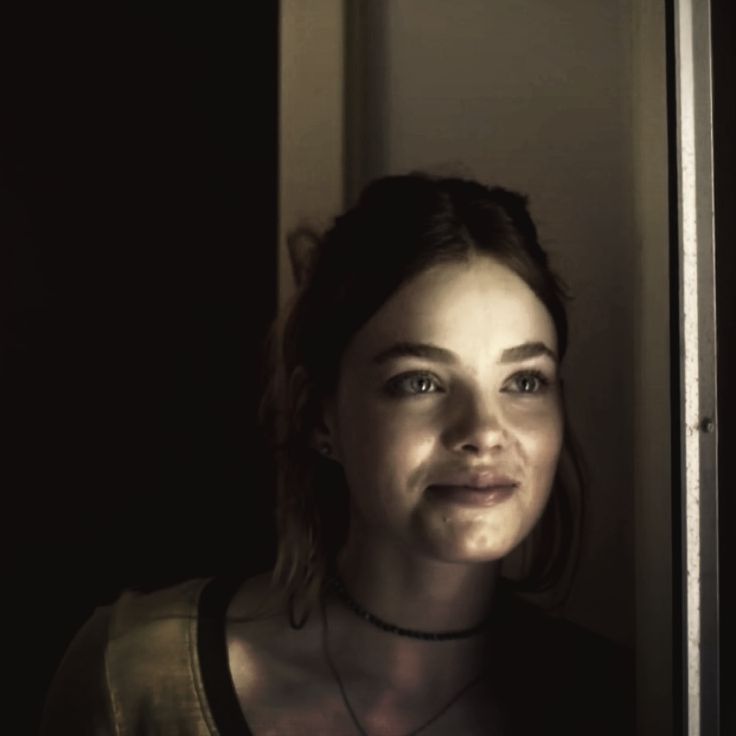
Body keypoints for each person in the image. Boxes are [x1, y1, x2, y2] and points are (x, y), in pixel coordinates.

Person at [40, 173, 634, 735]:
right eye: (419, 382)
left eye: (525, 381)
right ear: (319, 416)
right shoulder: (136, 675)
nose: (483, 431)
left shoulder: (625, 703)